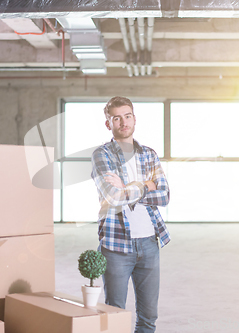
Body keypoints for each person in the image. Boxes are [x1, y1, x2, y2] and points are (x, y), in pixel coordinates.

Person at [91, 96, 171, 333]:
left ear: (134, 119)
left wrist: (128, 187)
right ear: (109, 124)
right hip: (116, 246)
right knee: (114, 315)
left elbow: (165, 196)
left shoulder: (149, 154)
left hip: (149, 243)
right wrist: (146, 185)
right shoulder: (101, 155)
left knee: (148, 318)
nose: (123, 122)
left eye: (127, 116)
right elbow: (113, 196)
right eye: (116, 118)